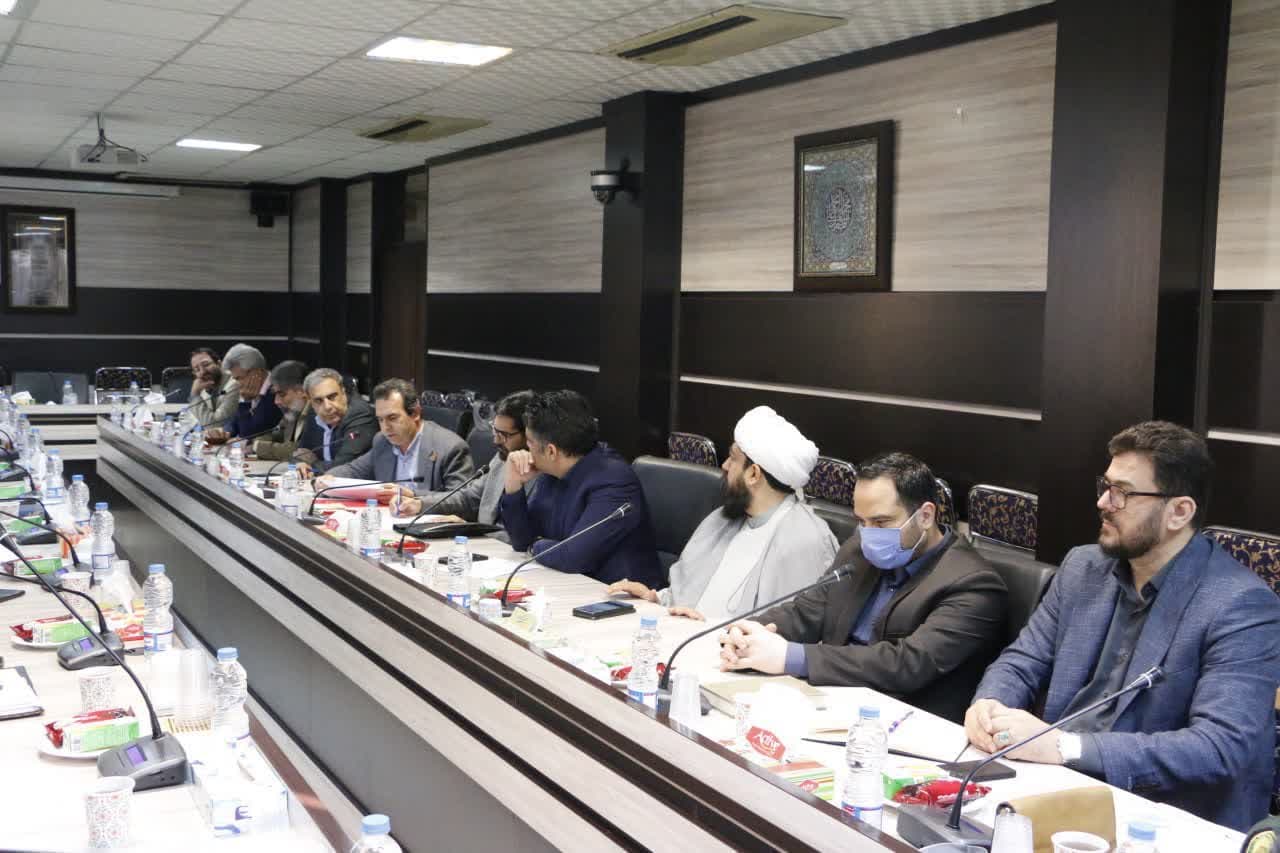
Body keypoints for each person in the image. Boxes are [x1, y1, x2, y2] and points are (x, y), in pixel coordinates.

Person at [965, 421, 1280, 831]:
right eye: (1105, 485)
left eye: (1123, 493)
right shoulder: (1083, 566)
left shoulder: (1241, 605)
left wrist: (1064, 746)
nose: (1103, 502)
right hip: (1057, 787)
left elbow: (1218, 748)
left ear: (1179, 512)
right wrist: (989, 706)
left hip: (1167, 817)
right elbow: (1023, 660)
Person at [717, 452, 1006, 723]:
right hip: (831, 704)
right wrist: (747, 633)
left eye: (881, 522)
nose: (869, 534)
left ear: (926, 516)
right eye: (862, 521)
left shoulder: (973, 584)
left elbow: (906, 664)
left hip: (902, 722)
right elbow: (807, 611)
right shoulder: (860, 549)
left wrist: (791, 657)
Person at [608, 406, 837, 621]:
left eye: (733, 458)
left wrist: (705, 626)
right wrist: (656, 600)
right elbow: (686, 595)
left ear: (754, 474)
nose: (725, 466)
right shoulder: (723, 519)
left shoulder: (805, 540)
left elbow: (789, 631)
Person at [500, 390, 662, 587]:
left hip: (621, 595)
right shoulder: (552, 471)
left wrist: (534, 545)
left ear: (551, 451)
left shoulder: (614, 481)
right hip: (568, 585)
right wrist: (513, 486)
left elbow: (573, 557)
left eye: (530, 443)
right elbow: (521, 541)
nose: (526, 450)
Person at [323, 378, 474, 516]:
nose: (385, 427)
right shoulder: (382, 441)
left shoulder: (450, 447)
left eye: (392, 418)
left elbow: (462, 501)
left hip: (428, 527)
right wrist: (326, 479)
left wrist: (413, 495)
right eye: (380, 420)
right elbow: (354, 470)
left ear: (415, 413)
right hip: (389, 521)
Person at [398, 390, 537, 538]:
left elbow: (528, 538)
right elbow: (468, 498)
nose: (496, 440)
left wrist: (472, 530)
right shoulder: (501, 458)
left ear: (529, 434)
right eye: (495, 430)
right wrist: (419, 503)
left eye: (504, 435)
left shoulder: (545, 474)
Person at [293, 368, 376, 474]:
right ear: (311, 402)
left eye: (332, 397)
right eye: (318, 400)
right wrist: (300, 464)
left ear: (343, 392)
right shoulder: (315, 413)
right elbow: (299, 454)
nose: (327, 406)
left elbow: (344, 466)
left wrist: (312, 464)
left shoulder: (361, 415)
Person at [206, 343, 281, 442]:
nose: (236, 384)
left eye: (239, 378)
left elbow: (248, 434)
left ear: (257, 373)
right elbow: (234, 422)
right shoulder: (255, 389)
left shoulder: (276, 394)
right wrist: (225, 432)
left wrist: (245, 401)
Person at [253, 361, 310, 462]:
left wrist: (257, 446)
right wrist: (257, 443)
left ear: (302, 391)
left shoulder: (315, 413)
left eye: (282, 394)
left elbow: (298, 451)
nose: (276, 401)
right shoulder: (292, 413)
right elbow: (273, 435)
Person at [187, 347, 238, 428]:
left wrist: (194, 395)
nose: (203, 371)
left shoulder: (235, 385)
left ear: (219, 364)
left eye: (206, 365)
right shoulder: (204, 387)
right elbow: (192, 420)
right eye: (197, 369)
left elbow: (213, 426)